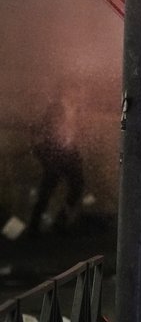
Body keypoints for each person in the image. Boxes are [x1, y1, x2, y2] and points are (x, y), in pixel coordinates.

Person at [28, 91, 85, 237]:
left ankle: (56, 223)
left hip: (65, 152)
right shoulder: (57, 108)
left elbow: (69, 133)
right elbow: (49, 131)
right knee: (48, 189)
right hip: (57, 153)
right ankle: (37, 226)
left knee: (75, 186)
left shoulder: (71, 108)